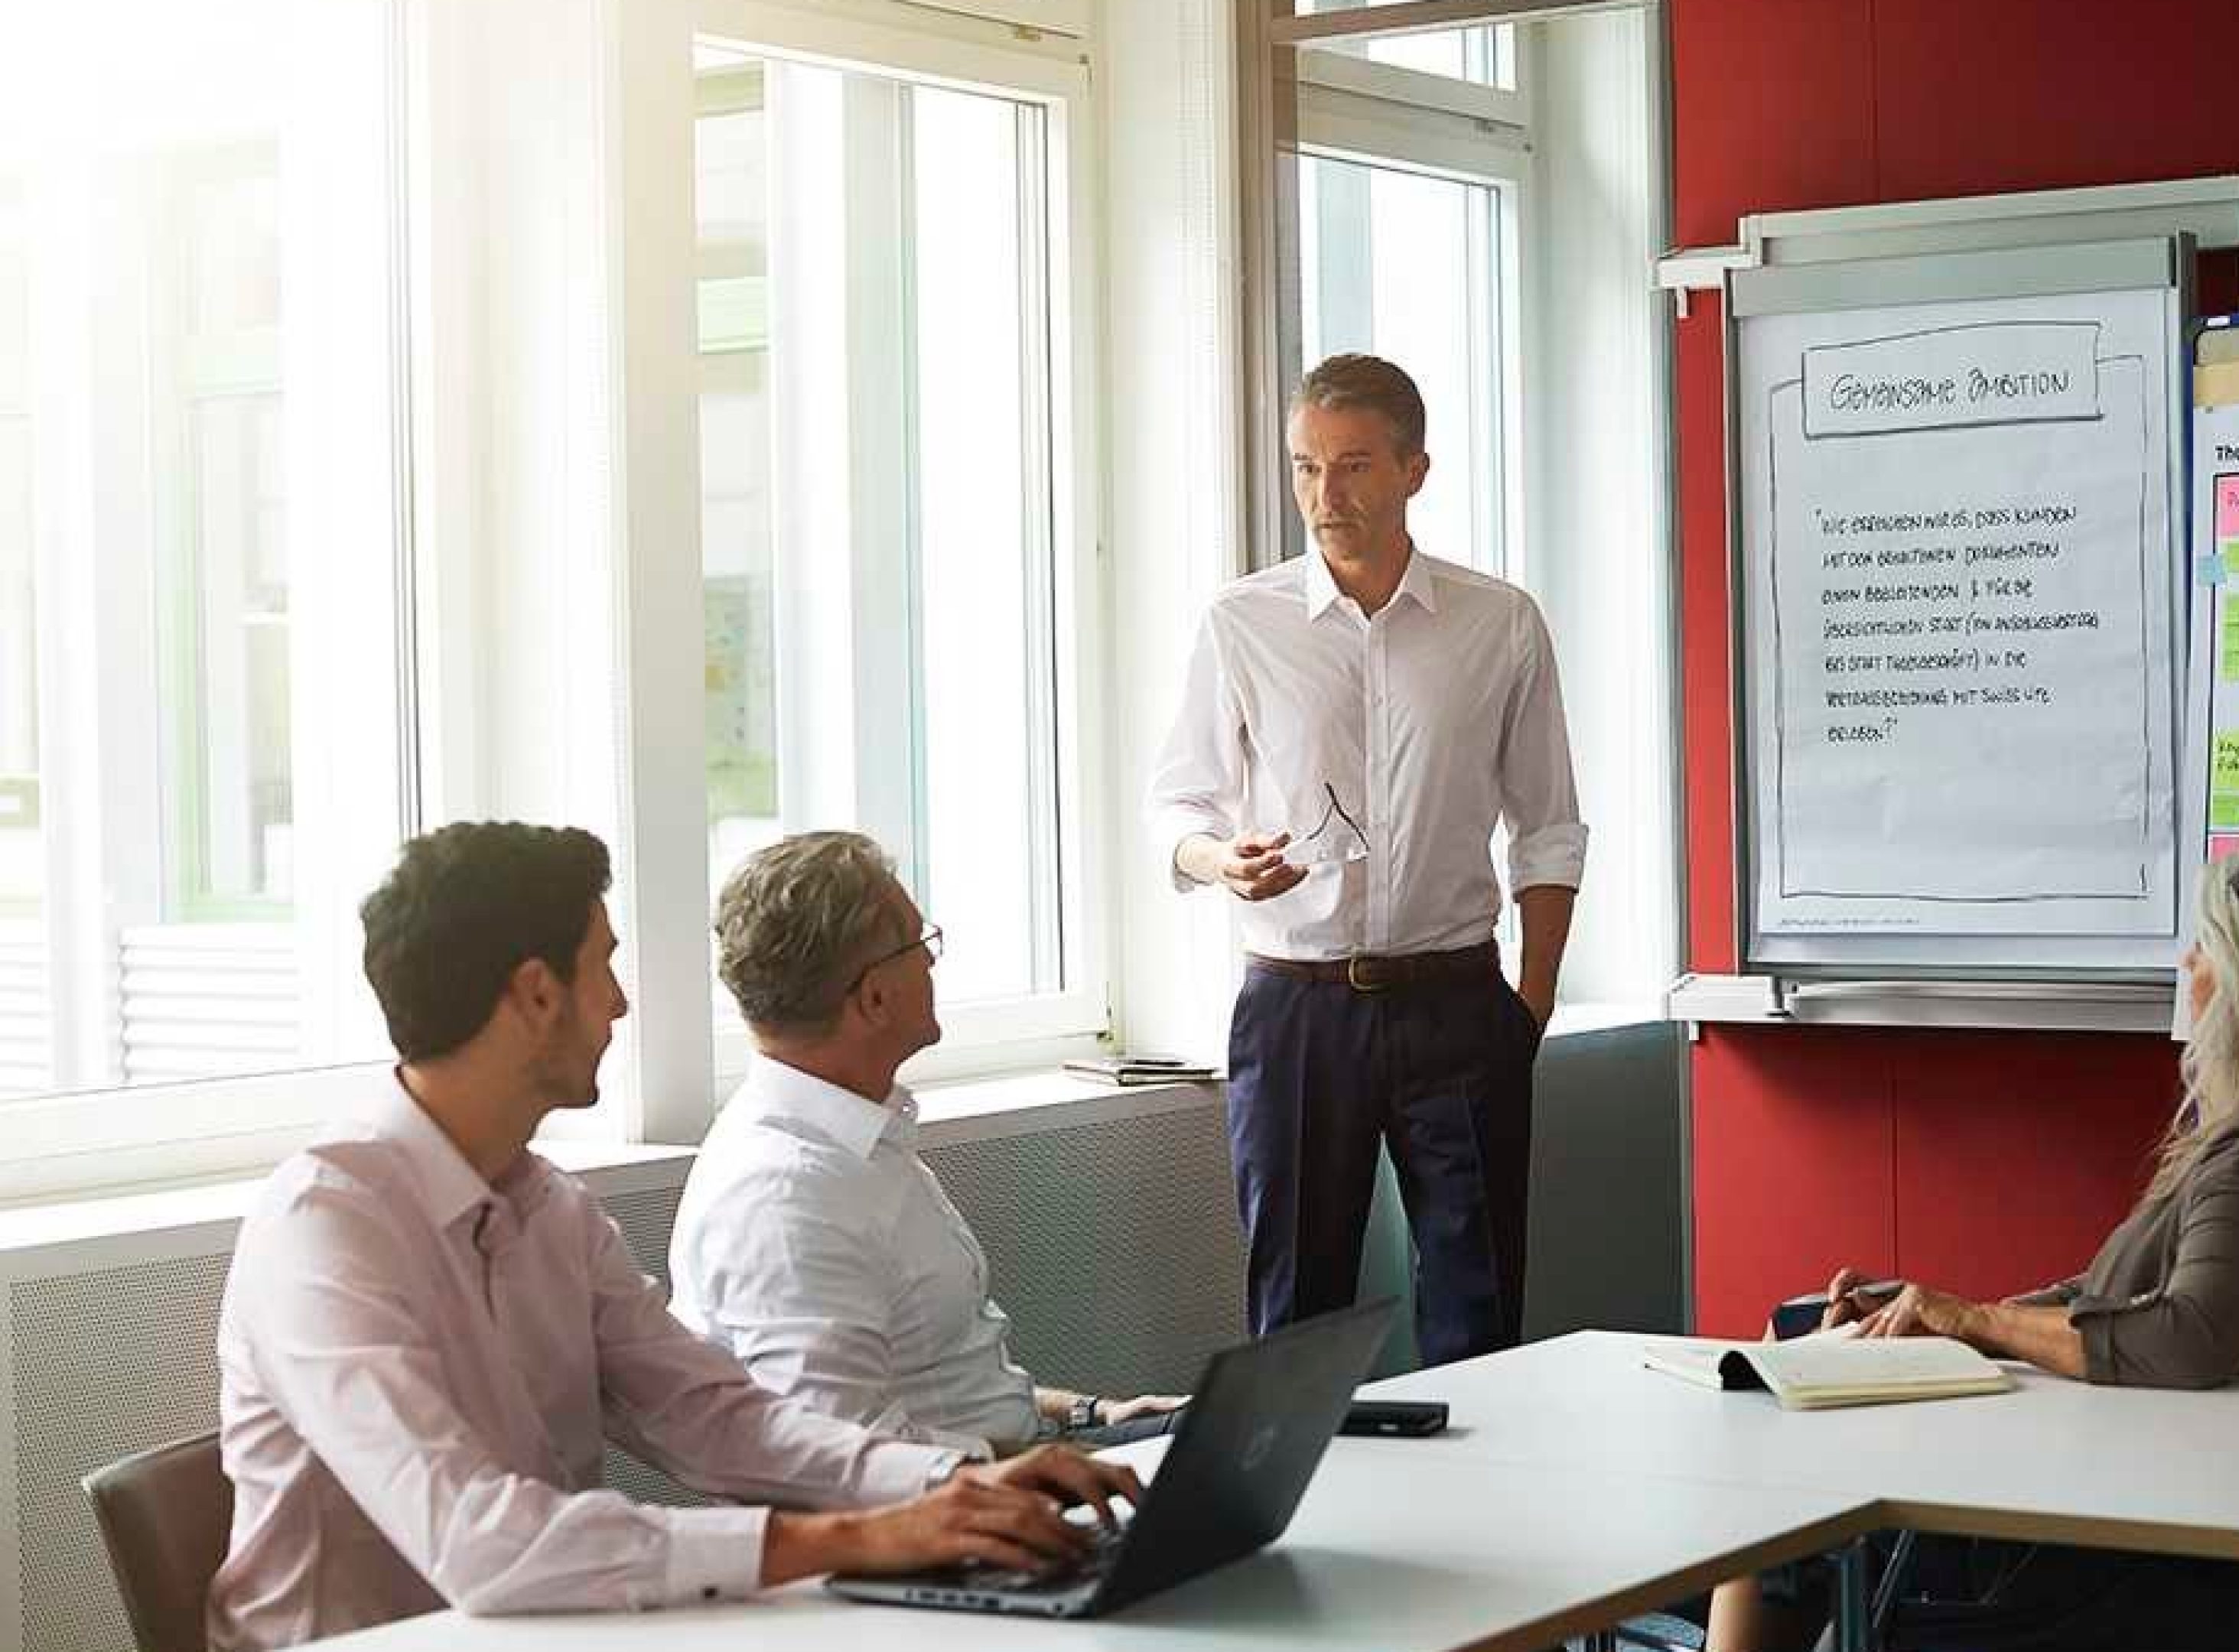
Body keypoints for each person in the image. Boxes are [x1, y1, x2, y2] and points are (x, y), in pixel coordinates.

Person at [207, 822, 1140, 1651]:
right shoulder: (325, 1226)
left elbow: (719, 1417)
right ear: (537, 994)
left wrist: (949, 1483)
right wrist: (859, 1534)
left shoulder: (551, 1209)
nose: (618, 1005)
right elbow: (483, 1545)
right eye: (602, 966)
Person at [1707, 846, 2239, 1652]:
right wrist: (1945, 1316)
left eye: (2209, 947)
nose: (2188, 963)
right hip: (2164, 1540)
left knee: (1779, 1438)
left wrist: (1973, 1319)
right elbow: (2131, 1301)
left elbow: (2182, 1338)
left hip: (2102, 1558)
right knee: (1804, 1332)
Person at [1147, 351, 1587, 1365]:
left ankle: (1476, 1526)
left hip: (1461, 1003)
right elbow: (1177, 800)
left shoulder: (1500, 622)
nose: (1323, 495)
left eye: (1351, 466)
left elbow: (1550, 824)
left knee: (1481, 1316)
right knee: (1297, 1314)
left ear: (1413, 471)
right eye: (1305, 467)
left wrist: (1533, 1002)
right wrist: (1222, 862)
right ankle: (1305, 1523)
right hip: (1296, 1009)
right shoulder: (1241, 623)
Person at [671, 830, 1185, 1455]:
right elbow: (852, 1472)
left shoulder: (860, 1134)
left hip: (1017, 1467)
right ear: (875, 998)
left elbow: (944, 1383)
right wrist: (1061, 1471)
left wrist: (1092, 1416)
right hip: (965, 1520)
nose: (933, 962)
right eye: (921, 944)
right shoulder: (785, 1200)